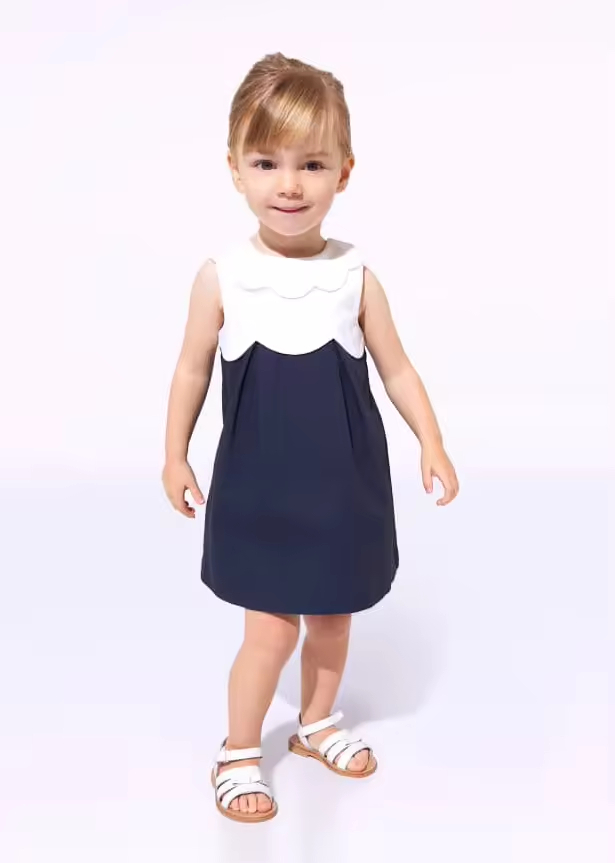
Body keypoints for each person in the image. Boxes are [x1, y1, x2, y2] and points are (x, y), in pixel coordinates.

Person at [162, 52, 459, 823]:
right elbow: (191, 370)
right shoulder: (222, 275)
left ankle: (316, 721)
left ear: (344, 172)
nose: (288, 184)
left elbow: (396, 369)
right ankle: (237, 749)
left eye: (311, 164)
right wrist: (174, 453)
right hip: (259, 490)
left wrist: (430, 440)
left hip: (343, 488)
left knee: (332, 617)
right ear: (234, 169)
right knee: (268, 631)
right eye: (266, 163)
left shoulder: (355, 275)